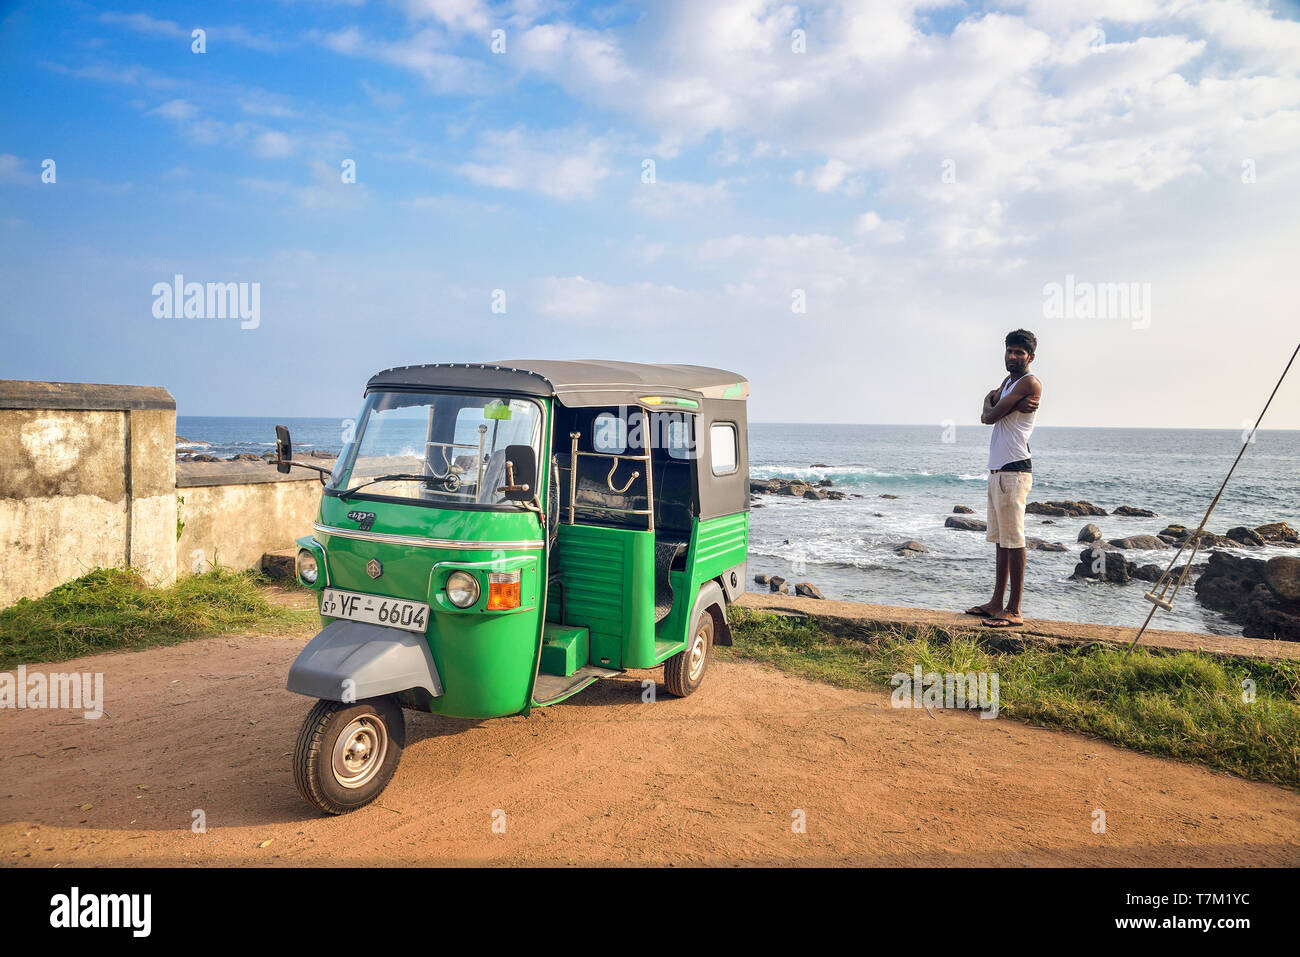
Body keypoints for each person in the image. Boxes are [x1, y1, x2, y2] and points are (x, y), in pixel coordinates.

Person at [966, 329, 1042, 628]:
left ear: (1030, 357)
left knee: (1015, 540)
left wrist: (991, 403)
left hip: (1015, 469)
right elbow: (993, 408)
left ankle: (1014, 609)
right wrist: (993, 400)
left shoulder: (1029, 382)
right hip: (998, 470)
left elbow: (988, 417)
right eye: (1009, 351)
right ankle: (996, 603)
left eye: (1019, 352)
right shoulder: (1009, 382)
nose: (1012, 356)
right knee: (1001, 541)